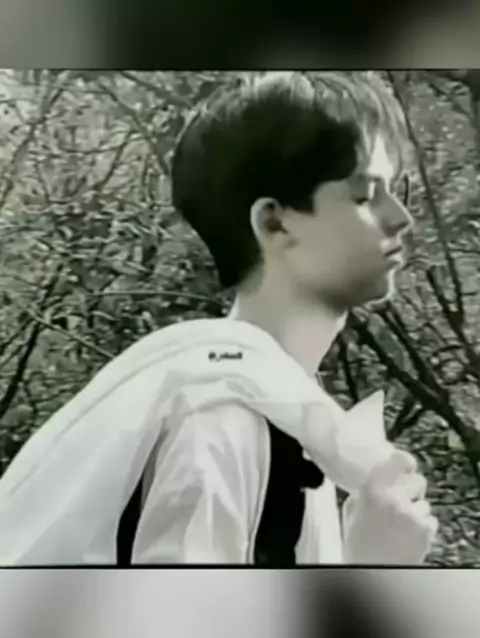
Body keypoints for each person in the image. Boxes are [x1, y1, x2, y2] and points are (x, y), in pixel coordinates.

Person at [0, 71, 438, 565]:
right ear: (274, 222)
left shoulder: (280, 413)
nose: (401, 217)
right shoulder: (219, 420)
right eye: (364, 195)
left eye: (394, 191)